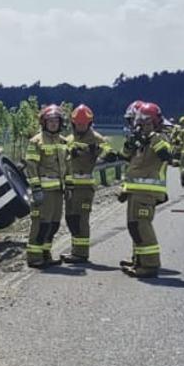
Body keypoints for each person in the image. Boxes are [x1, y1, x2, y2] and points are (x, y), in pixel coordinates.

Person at [119, 101, 175, 278]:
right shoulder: (140, 139)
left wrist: (150, 136)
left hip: (147, 191)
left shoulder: (160, 138)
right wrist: (131, 143)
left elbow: (167, 154)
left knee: (142, 226)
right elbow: (129, 159)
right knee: (134, 226)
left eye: (146, 123)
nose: (140, 126)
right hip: (136, 190)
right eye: (140, 123)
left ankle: (149, 265)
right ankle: (139, 260)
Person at [22, 105, 72, 268]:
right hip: (43, 192)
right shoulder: (36, 142)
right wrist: (36, 189)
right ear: (44, 122)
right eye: (49, 121)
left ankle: (46, 253)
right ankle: (34, 257)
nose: (53, 124)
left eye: (56, 121)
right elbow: (31, 166)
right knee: (41, 224)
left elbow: (68, 166)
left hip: (58, 191)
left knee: (54, 224)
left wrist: (69, 186)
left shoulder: (64, 142)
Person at [64, 104, 110, 263]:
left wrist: (94, 150)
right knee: (71, 219)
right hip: (70, 188)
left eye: (83, 124)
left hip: (84, 188)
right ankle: (75, 250)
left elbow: (108, 151)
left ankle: (81, 253)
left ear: (89, 123)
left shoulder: (96, 138)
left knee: (81, 220)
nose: (80, 126)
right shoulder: (69, 139)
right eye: (78, 123)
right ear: (73, 123)